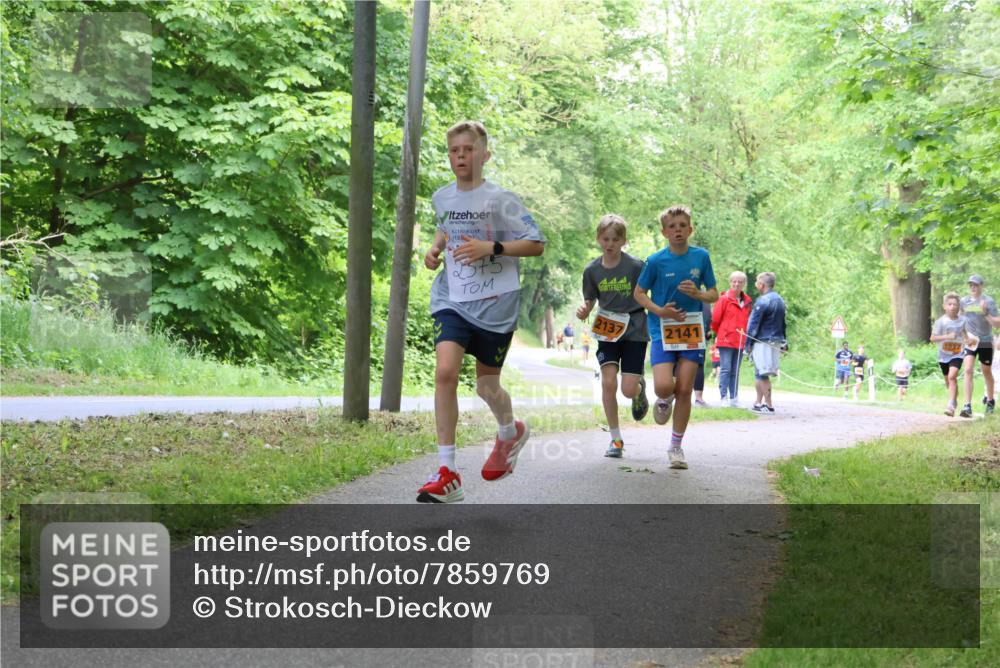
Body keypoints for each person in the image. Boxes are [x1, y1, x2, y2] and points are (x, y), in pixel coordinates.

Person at [417, 121, 545, 503]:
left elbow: (536, 244)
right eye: (454, 150)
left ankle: (510, 431)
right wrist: (436, 248)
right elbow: (446, 227)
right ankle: (447, 470)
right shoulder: (442, 197)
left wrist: (493, 248)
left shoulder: (501, 200)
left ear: (484, 155)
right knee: (445, 372)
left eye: (468, 149)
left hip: (495, 306)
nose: (460, 156)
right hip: (452, 298)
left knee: (487, 387)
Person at [634, 205, 718, 470]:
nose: (678, 230)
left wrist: (698, 295)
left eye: (682, 225)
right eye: (672, 226)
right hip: (662, 330)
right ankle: (662, 398)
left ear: (690, 229)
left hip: (692, 330)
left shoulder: (701, 257)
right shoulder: (655, 261)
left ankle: (676, 447)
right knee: (663, 386)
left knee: (684, 389)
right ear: (664, 232)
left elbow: (714, 293)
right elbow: (639, 293)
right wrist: (660, 311)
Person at [577, 214, 650, 458]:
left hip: (635, 329)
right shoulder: (592, 270)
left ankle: (639, 390)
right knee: (608, 382)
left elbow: (648, 293)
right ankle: (616, 439)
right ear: (599, 239)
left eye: (615, 239)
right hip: (607, 330)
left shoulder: (636, 267)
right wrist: (584, 310)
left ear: (623, 241)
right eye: (606, 239)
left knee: (627, 390)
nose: (610, 244)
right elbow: (589, 299)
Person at [744, 272, 787, 413]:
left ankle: (769, 405)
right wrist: (784, 342)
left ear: (761, 285)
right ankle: (758, 402)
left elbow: (753, 325)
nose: (756, 284)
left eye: (757, 282)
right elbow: (783, 324)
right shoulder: (780, 300)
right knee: (759, 372)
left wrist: (747, 344)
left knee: (763, 373)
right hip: (775, 340)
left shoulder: (763, 301)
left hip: (762, 341)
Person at [959, 274, 1000, 417]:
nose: (973, 287)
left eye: (975, 284)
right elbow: (959, 321)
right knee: (968, 369)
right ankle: (967, 406)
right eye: (970, 284)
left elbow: (997, 323)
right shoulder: (964, 301)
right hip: (971, 341)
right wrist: (964, 337)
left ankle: (990, 401)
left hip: (986, 341)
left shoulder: (989, 301)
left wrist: (985, 313)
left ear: (981, 286)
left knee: (986, 371)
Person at [710, 271, 752, 407]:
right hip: (726, 340)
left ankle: (734, 398)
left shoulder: (747, 302)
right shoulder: (724, 299)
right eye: (734, 281)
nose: (737, 284)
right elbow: (715, 320)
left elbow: (748, 321)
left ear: (743, 284)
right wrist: (723, 334)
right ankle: (723, 397)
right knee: (726, 369)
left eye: (740, 282)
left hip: (740, 340)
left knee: (735, 370)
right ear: (730, 282)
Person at [931, 292, 969, 417]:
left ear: (959, 307)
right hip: (943, 355)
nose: (952, 307)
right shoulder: (940, 322)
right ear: (944, 306)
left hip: (957, 353)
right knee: (949, 381)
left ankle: (950, 405)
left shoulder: (963, 320)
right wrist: (947, 336)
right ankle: (954, 399)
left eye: (955, 304)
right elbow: (932, 338)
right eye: (950, 304)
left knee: (953, 376)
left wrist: (967, 339)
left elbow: (963, 331)